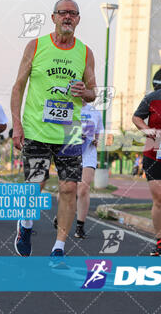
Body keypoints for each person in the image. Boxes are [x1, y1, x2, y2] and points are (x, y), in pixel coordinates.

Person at [11, 0, 97, 257]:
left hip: (69, 133)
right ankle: (25, 226)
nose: (68, 17)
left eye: (73, 13)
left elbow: (93, 93)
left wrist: (87, 91)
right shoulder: (35, 46)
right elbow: (18, 87)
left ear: (79, 19)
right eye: (63, 13)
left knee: (69, 187)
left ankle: (59, 246)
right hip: (36, 129)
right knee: (36, 184)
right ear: (53, 17)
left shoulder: (85, 52)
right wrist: (17, 124)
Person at [132, 68, 161, 256]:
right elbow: (136, 117)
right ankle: (160, 241)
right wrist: (146, 129)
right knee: (160, 198)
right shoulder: (152, 98)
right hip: (155, 154)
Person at [53, 101, 103, 239]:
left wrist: (96, 141)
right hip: (68, 152)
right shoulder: (66, 106)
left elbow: (99, 132)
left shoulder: (95, 111)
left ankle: (80, 226)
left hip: (88, 154)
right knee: (66, 189)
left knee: (83, 189)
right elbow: (56, 130)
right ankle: (61, 214)